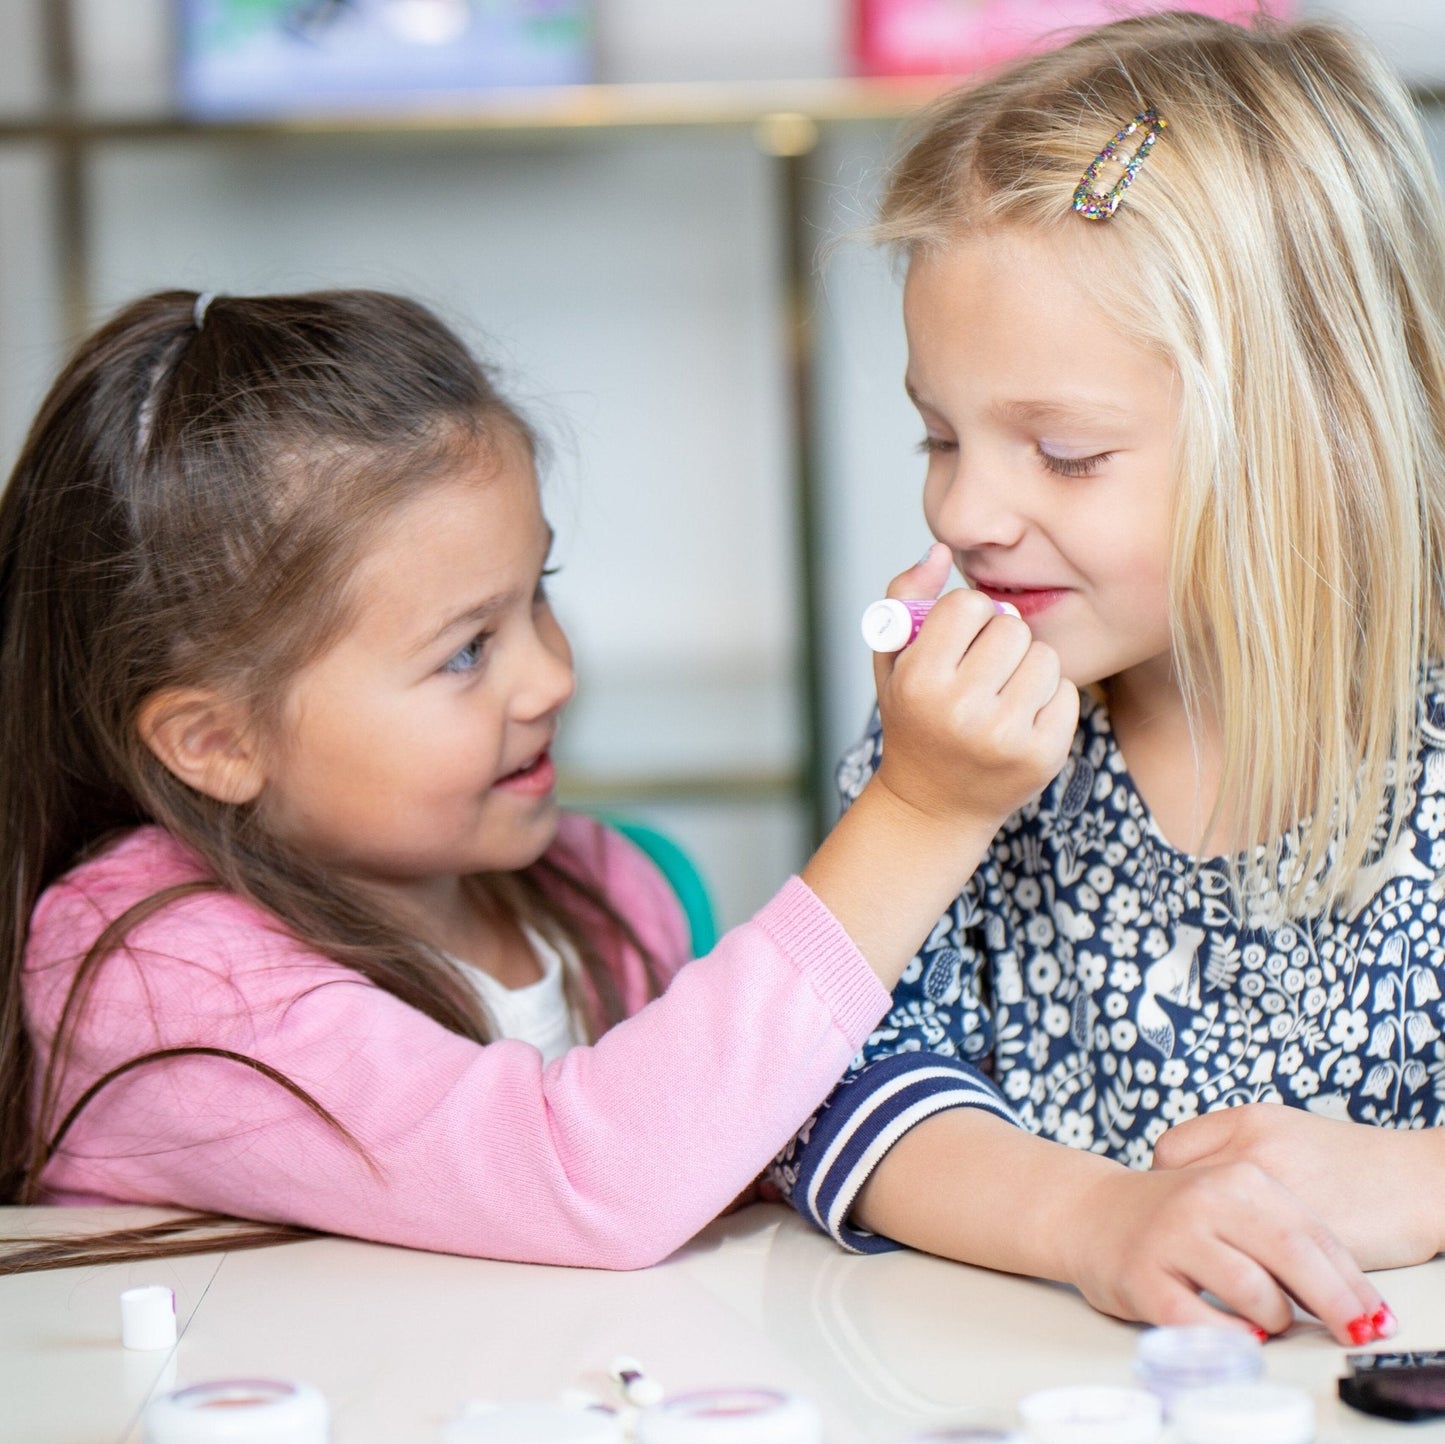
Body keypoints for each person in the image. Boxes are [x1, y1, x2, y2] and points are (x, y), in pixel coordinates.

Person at [0, 288, 1077, 1273]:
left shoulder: (602, 888)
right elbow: (592, 1180)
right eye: (466, 649)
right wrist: (920, 811)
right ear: (215, 742)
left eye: (539, 594)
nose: (553, 674)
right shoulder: (145, 969)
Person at [772, 9, 1444, 1348]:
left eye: (1066, 453)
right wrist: (1093, 1220)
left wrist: (1418, 1182)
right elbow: (820, 1092)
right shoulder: (963, 725)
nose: (964, 511)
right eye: (936, 434)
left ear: (1324, 436)